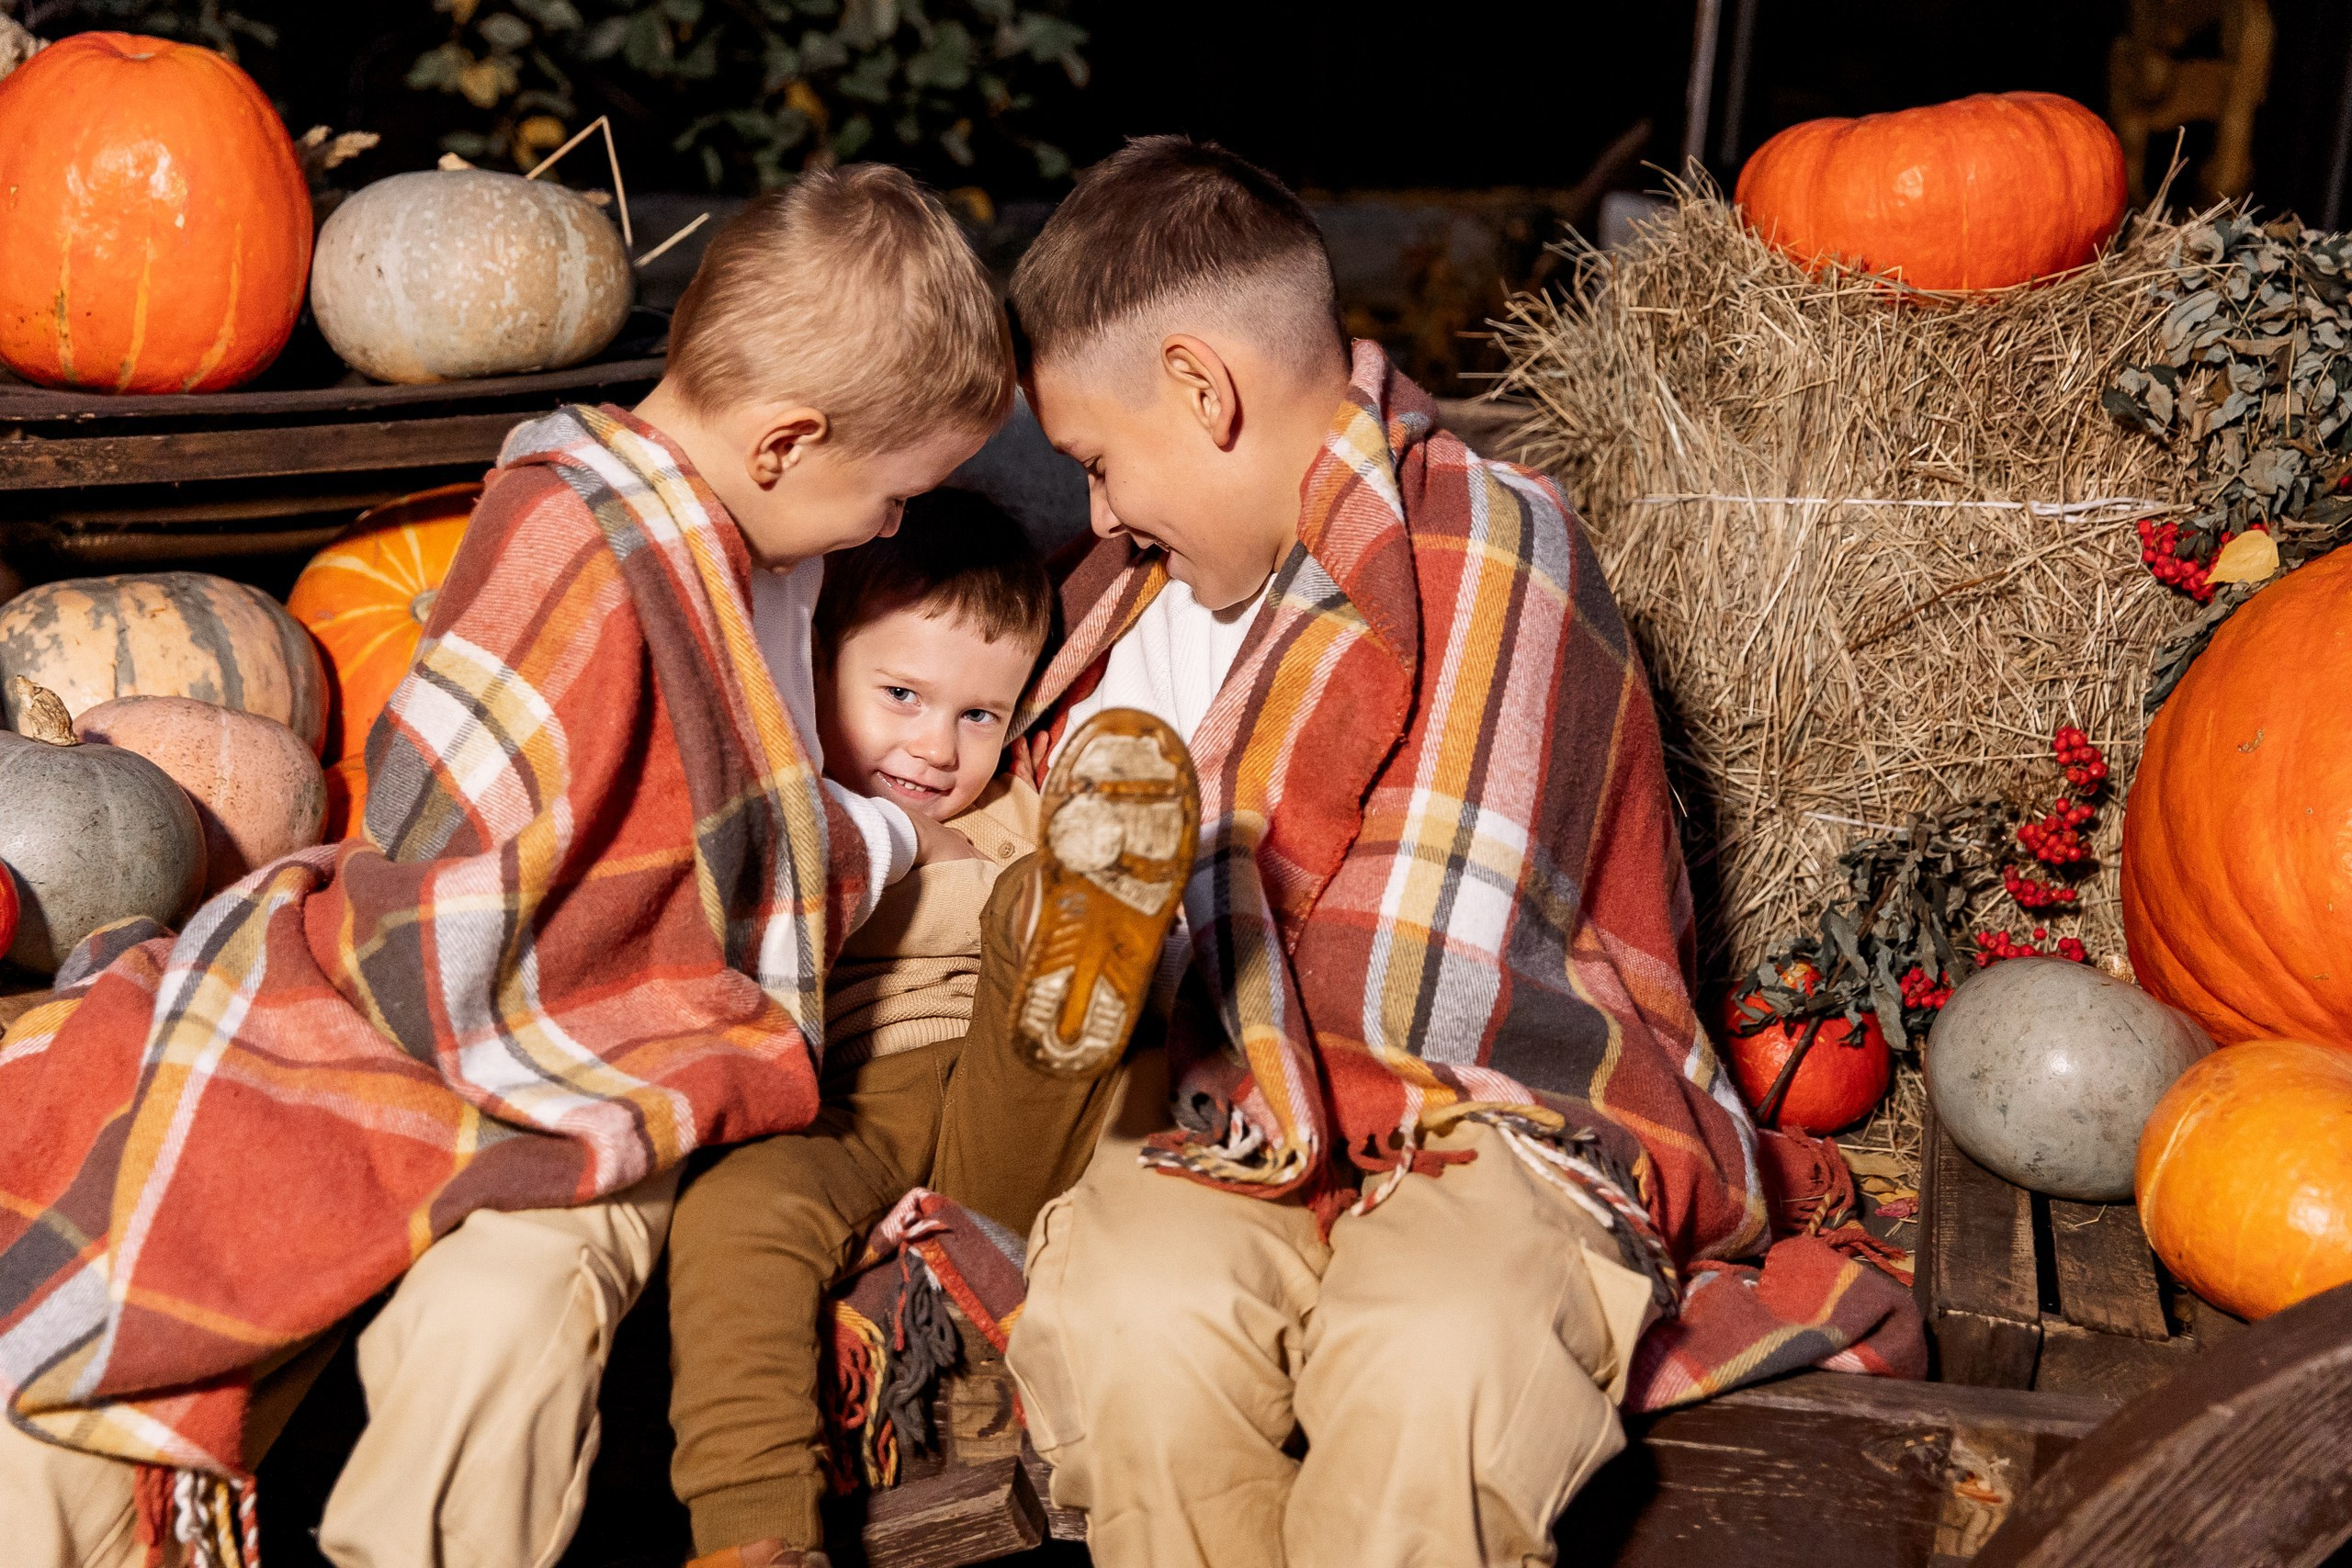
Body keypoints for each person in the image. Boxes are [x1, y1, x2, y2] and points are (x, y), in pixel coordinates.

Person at [0, 164, 1013, 1568]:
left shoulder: (762, 542)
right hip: (492, 1005)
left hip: (612, 1056)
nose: (892, 527)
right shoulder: (574, 532)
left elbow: (724, 808)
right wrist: (898, 836)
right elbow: (493, 836)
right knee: (193, 1219)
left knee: (509, 1310)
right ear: (785, 441)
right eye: (895, 494)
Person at [973, 136, 1813, 1568]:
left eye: (1101, 462)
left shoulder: (1494, 545)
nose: (1100, 512)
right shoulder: (1121, 614)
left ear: (1201, 385)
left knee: (1436, 1343)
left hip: (1495, 1112)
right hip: (1223, 1113)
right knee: (1128, 1308)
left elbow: (1489, 909)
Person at [663, 495, 1055, 1568]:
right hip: (841, 1099)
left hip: (997, 1076)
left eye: (981, 716)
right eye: (900, 695)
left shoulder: (1015, 813)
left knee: (1051, 947)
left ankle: (1068, 932)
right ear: (815, 664)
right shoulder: (799, 813)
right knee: (737, 1219)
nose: (936, 747)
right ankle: (755, 1534)